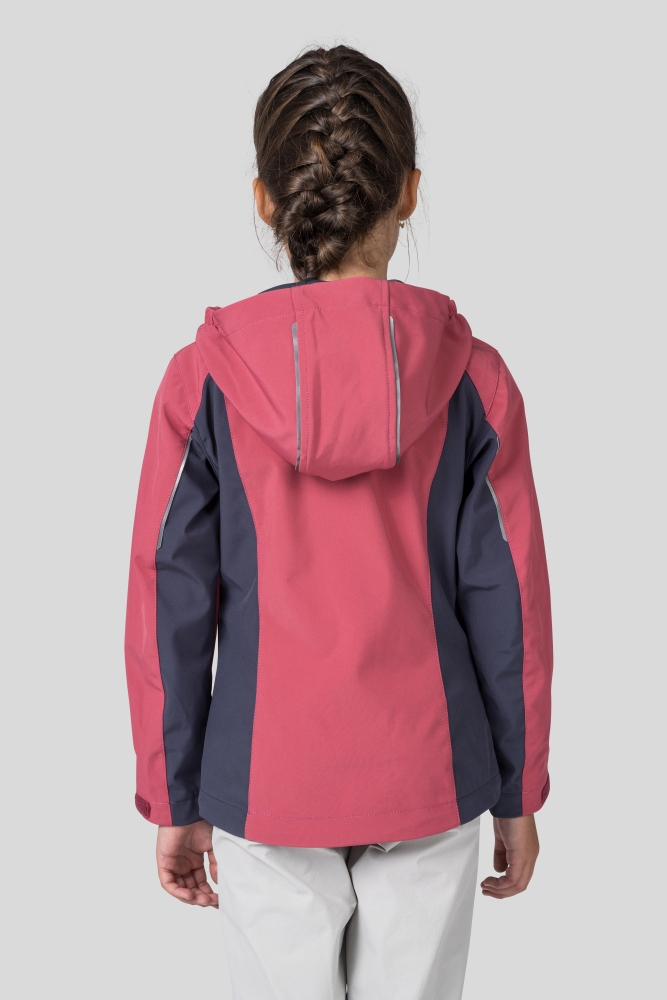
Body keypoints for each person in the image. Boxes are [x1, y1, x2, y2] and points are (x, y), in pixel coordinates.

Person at [125, 44, 552, 1000]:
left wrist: (173, 793)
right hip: (430, 775)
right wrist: (517, 788)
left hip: (263, 781)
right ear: (408, 192)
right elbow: (509, 604)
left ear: (265, 201)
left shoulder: (202, 383)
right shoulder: (475, 382)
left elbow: (168, 600)